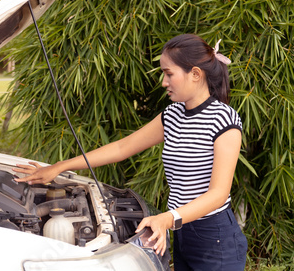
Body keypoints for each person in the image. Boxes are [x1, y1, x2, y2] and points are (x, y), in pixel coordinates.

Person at [13, 34, 247, 270]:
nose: (164, 82)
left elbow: (218, 193)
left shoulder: (224, 119)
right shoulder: (173, 115)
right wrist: (60, 167)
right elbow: (121, 148)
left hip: (214, 236)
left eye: (169, 73)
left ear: (195, 74)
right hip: (182, 228)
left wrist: (167, 218)